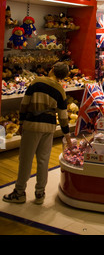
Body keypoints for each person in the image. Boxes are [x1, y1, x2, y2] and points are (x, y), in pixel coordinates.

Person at [3, 62, 72, 205]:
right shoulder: (60, 90)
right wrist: (67, 135)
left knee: (25, 160)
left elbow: (24, 103)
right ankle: (40, 193)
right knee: (43, 160)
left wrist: (21, 123)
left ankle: (19, 192)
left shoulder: (36, 82)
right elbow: (63, 116)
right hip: (49, 127)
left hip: (32, 124)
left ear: (52, 69)